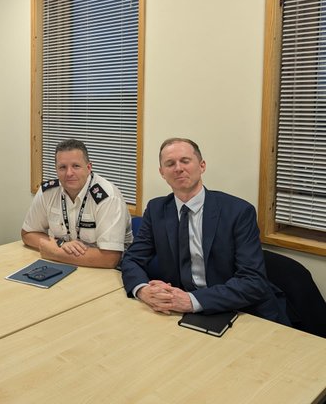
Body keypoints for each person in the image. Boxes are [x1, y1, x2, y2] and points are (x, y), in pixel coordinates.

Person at [121, 138, 289, 324]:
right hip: (179, 312)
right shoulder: (156, 209)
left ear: (202, 166)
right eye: (170, 164)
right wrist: (143, 290)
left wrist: (192, 301)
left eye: (185, 161)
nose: (178, 168)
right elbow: (132, 259)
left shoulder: (238, 212)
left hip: (240, 311)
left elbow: (252, 281)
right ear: (162, 173)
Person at [21, 139, 133, 268]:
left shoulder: (108, 197)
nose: (69, 173)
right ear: (56, 169)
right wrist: (60, 244)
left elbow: (110, 259)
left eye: (76, 166)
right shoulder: (48, 192)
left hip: (109, 272)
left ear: (89, 168)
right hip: (68, 265)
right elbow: (27, 233)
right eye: (62, 167)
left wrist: (55, 252)